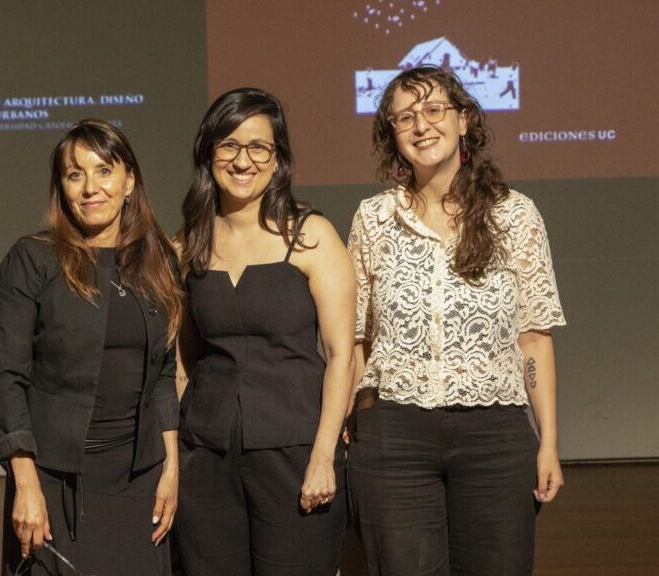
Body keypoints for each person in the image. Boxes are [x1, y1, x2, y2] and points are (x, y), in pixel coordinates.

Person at [346, 66, 566, 575]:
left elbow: (535, 340)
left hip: (495, 436)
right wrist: (346, 420)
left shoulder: (515, 215)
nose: (421, 125)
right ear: (392, 136)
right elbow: (355, 340)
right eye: (404, 117)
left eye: (433, 110)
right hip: (394, 437)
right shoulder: (373, 219)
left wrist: (550, 442)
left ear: (463, 120)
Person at [0, 119, 182, 576]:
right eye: (75, 174)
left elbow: (164, 375)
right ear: (62, 187)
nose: (91, 187)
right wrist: (25, 485)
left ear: (129, 181)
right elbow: (7, 379)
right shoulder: (32, 260)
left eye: (104, 171)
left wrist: (170, 467)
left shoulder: (158, 261)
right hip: (54, 479)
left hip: (139, 479)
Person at [173, 88, 356, 575]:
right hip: (206, 457)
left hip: (294, 454)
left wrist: (323, 456)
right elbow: (182, 363)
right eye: (229, 145)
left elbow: (342, 355)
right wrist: (178, 456)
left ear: (277, 160)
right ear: (208, 153)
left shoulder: (311, 236)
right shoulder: (187, 245)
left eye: (258, 147)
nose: (242, 160)